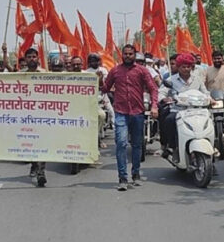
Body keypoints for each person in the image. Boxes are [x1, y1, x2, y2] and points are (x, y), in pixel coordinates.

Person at [101, 45, 158, 190]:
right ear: (122, 55)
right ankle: (122, 178)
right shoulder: (115, 71)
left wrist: (154, 106)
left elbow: (153, 88)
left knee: (137, 145)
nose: (128, 56)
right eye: (125, 54)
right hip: (121, 112)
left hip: (137, 112)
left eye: (130, 54)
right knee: (121, 143)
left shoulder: (142, 70)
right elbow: (105, 89)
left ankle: (136, 173)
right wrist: (98, 81)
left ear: (134, 55)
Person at [158, 53, 211, 162]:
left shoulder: (197, 79)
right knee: (169, 120)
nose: (186, 69)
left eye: (189, 66)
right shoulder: (171, 80)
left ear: (192, 67)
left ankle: (213, 150)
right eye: (183, 66)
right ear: (178, 67)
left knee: (210, 121)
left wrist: (211, 99)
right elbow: (161, 93)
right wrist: (164, 99)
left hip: (197, 111)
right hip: (178, 110)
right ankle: (174, 148)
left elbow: (205, 92)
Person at [19, 48, 48, 185]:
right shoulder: (20, 75)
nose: (32, 59)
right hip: (25, 114)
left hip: (42, 113)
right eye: (29, 56)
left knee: (42, 142)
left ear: (38, 58)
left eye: (34, 56)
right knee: (30, 142)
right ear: (25, 59)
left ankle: (41, 172)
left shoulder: (45, 74)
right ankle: (34, 164)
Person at [85, 53, 114, 128]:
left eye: (95, 61)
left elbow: (107, 81)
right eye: (92, 61)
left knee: (110, 110)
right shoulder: (86, 72)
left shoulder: (103, 70)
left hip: (102, 93)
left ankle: (113, 125)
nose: (94, 63)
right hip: (90, 94)